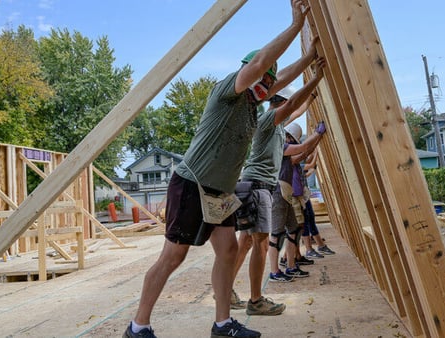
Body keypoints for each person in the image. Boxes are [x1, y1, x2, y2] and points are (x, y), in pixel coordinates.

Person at [124, 2, 311, 337]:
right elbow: (260, 63)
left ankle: (222, 324)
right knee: (173, 257)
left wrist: (310, 59)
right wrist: (296, 26)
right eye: (264, 78)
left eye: (268, 82)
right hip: (193, 184)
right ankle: (138, 326)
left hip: (221, 192)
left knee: (227, 251)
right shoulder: (229, 90)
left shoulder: (255, 109)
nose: (266, 83)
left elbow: (281, 77)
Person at [230, 55, 326, 315]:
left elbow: (296, 108)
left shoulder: (274, 124)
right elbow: (293, 105)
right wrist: (314, 78)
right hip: (258, 185)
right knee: (260, 244)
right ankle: (256, 300)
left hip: (250, 184)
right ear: (279, 103)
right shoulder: (269, 121)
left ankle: (227, 290)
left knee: (246, 243)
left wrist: (312, 97)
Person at [269, 121, 326, 281]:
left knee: (294, 230)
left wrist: (317, 139)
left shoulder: (285, 147)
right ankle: (275, 271)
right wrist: (318, 135)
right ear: (288, 137)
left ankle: (291, 266)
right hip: (279, 193)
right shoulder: (281, 146)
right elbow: (301, 152)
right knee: (276, 234)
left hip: (285, 193)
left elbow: (302, 154)